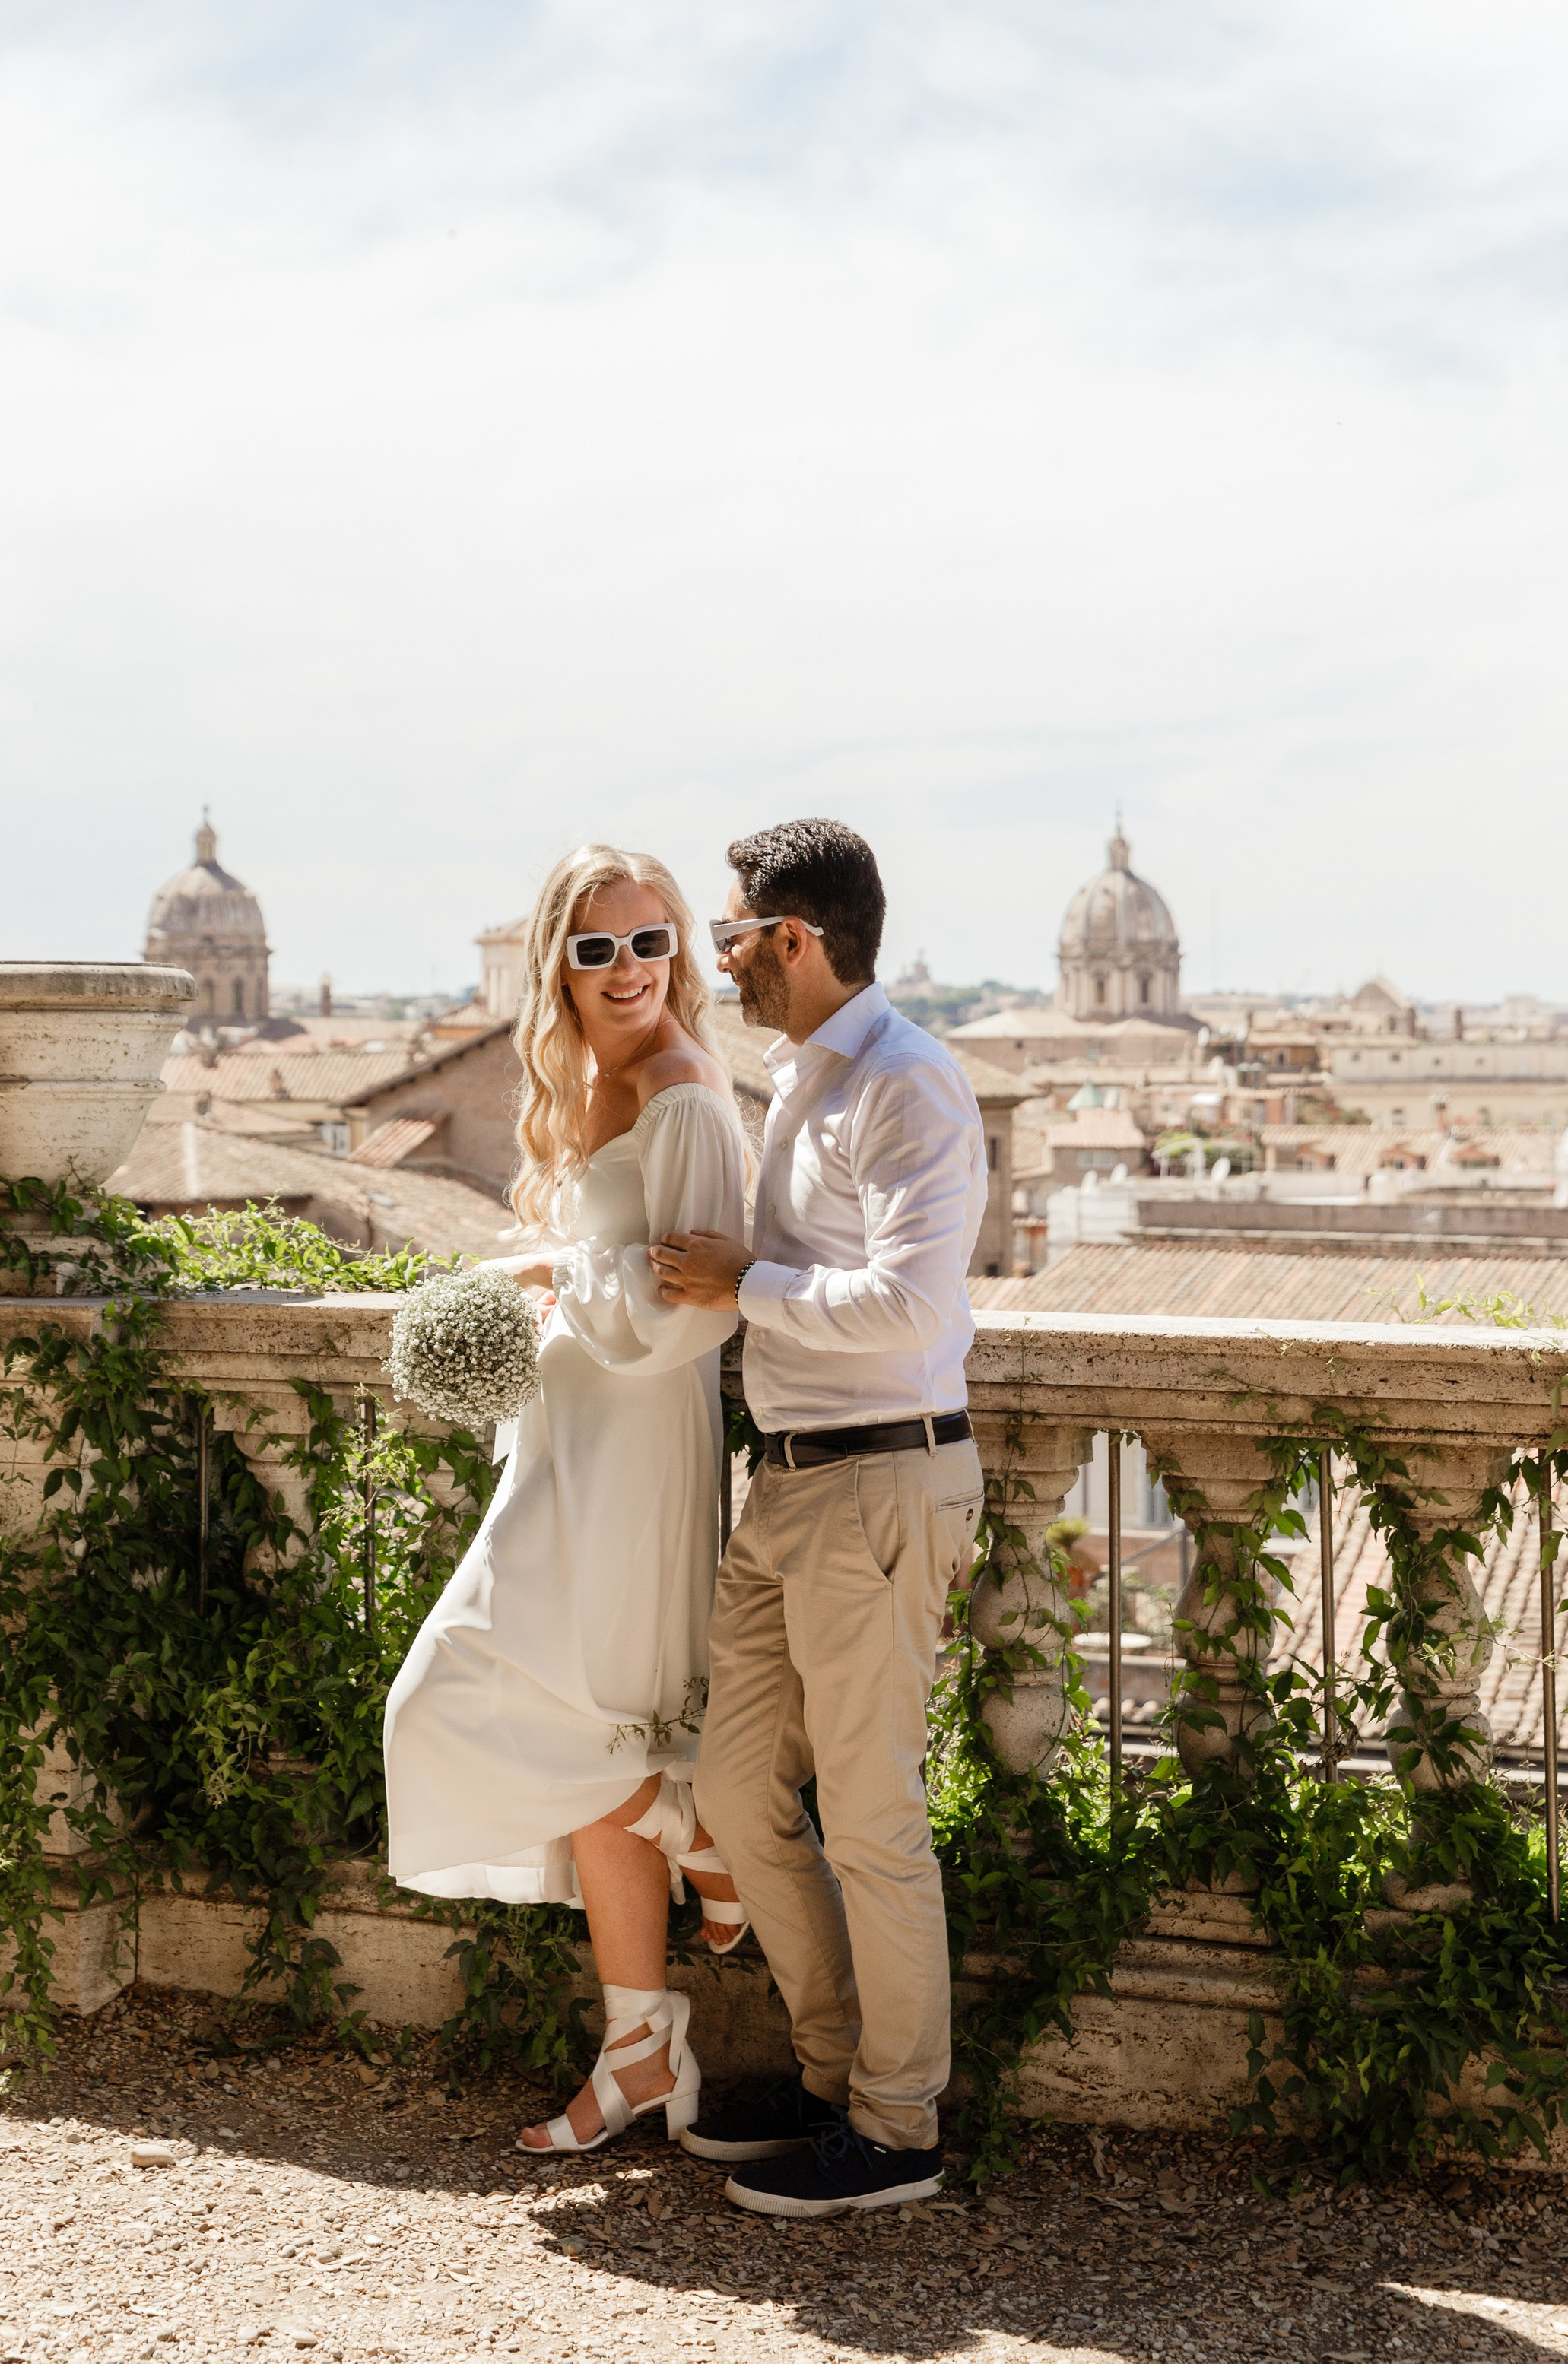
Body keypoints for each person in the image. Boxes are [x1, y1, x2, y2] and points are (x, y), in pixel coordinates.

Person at [383, 843, 753, 2156]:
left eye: (651, 941)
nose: (629, 969)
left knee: (461, 1698)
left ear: (681, 952)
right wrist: (558, 1277)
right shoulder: (597, 1083)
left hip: (637, 1442)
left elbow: (687, 1314)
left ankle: (678, 1816)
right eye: (596, 949)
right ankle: (643, 2048)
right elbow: (621, 1272)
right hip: (569, 1437)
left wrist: (550, 1285)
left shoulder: (686, 1093)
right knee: (598, 1718)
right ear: (557, 967)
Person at [649, 817, 987, 2218]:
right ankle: (836, 2072)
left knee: (869, 1817)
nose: (718, 963)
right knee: (733, 1789)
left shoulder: (909, 1086)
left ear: (794, 937)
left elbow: (921, 1304)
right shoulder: (797, 1078)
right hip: (788, 1483)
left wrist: (748, 1291)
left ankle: (898, 2126)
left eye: (730, 938)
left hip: (880, 1477)